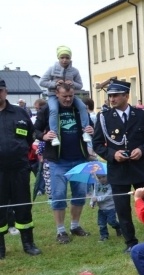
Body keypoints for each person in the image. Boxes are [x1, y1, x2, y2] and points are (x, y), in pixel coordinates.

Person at [92, 79, 144, 254]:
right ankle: (130, 242)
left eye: (115, 95)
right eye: (110, 96)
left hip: (140, 169)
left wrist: (142, 150)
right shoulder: (104, 117)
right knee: (122, 209)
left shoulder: (141, 115)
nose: (112, 99)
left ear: (126, 96)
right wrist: (112, 155)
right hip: (118, 170)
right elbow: (98, 144)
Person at [34, 84, 94, 244]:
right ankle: (61, 231)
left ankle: (75, 226)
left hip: (80, 159)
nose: (68, 99)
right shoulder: (48, 109)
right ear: (56, 95)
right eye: (64, 96)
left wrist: (91, 130)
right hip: (58, 162)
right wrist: (44, 136)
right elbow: (35, 130)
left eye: (71, 96)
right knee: (59, 195)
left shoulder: (78, 109)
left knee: (80, 194)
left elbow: (91, 127)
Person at [0, 77, 42, 258]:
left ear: (5, 91)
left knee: (23, 205)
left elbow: (30, 137)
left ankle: (28, 243)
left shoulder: (19, 113)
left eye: (0, 90)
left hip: (19, 168)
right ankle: (0, 248)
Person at [38, 46, 92, 147]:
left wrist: (72, 84)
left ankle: (86, 131)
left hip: (71, 95)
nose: (64, 60)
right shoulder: (51, 69)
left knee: (83, 107)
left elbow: (80, 85)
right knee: (53, 110)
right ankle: (54, 135)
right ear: (58, 58)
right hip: (54, 95)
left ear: (70, 58)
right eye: (62, 57)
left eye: (67, 58)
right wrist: (54, 84)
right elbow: (42, 82)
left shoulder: (74, 71)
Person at [90, 172, 121, 241]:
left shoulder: (111, 185)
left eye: (103, 177)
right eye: (99, 178)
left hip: (110, 208)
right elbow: (94, 194)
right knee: (101, 223)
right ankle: (104, 236)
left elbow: (107, 196)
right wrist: (92, 202)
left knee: (112, 222)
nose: (102, 179)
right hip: (101, 209)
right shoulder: (97, 184)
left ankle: (119, 227)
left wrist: (97, 199)